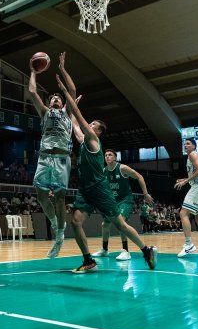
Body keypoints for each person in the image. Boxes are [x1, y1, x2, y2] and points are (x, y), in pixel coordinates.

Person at [56, 74, 156, 273]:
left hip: (100, 189)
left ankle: (146, 250)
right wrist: (71, 111)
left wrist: (66, 94)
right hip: (85, 190)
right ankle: (88, 260)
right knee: (75, 222)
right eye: (90, 123)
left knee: (120, 225)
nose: (89, 125)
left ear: (98, 131)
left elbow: (77, 115)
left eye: (93, 124)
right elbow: (74, 123)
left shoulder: (93, 140)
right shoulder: (83, 140)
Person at [28, 51, 76, 259]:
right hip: (45, 157)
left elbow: (72, 90)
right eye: (53, 97)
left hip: (62, 158)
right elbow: (32, 92)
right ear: (49, 103)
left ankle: (59, 235)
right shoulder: (45, 112)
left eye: (58, 97)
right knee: (40, 194)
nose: (56, 99)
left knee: (59, 198)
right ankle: (56, 223)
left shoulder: (68, 112)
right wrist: (33, 72)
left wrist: (63, 69)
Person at [91, 149, 154, 261]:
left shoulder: (122, 168)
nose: (107, 157)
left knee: (121, 223)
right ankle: (105, 250)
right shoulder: (104, 171)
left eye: (110, 155)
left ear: (115, 158)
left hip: (125, 200)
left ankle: (125, 251)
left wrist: (145, 193)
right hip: (112, 201)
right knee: (104, 225)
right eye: (105, 155)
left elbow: (139, 176)